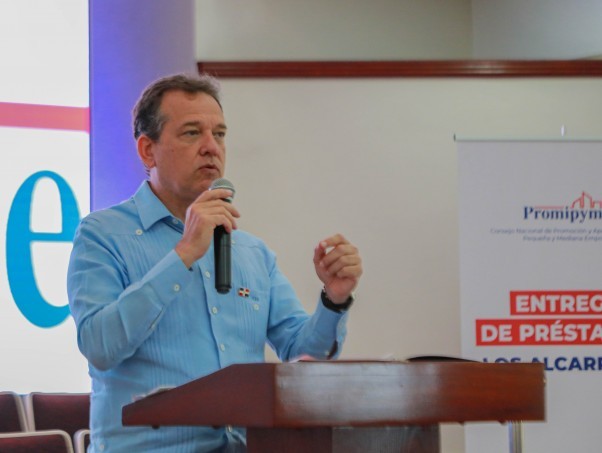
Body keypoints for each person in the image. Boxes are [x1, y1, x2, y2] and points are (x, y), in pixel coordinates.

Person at [67, 73, 363, 453]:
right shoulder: (102, 235)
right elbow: (100, 346)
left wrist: (334, 299)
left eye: (219, 134)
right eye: (192, 133)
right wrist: (183, 255)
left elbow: (301, 352)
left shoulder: (251, 253)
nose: (211, 147)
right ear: (148, 150)